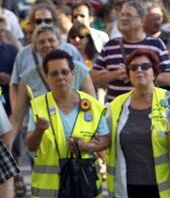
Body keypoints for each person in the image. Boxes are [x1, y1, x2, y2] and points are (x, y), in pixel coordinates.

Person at [106, 49, 170, 198]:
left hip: (169, 187)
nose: (139, 71)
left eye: (145, 66)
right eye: (133, 67)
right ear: (129, 74)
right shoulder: (116, 105)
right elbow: (105, 137)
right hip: (129, 188)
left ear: (155, 73)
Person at [26, 50, 110, 198]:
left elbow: (106, 140)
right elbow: (31, 146)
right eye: (54, 73)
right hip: (50, 190)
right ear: (47, 77)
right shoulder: (38, 106)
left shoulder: (91, 104)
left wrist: (87, 146)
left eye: (64, 72)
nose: (60, 77)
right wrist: (39, 130)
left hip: (86, 186)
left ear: (73, 74)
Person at [11, 25, 95, 135]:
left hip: (77, 136)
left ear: (60, 44)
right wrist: (8, 145)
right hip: (43, 139)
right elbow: (17, 118)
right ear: (35, 48)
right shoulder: (27, 78)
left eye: (51, 40)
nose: (46, 44)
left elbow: (93, 106)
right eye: (41, 42)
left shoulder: (79, 70)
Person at [91, 0, 170, 101]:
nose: (123, 18)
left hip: (147, 110)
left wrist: (138, 74)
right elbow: (93, 78)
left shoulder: (156, 44)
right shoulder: (110, 45)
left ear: (141, 20)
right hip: (116, 111)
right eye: (121, 15)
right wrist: (116, 74)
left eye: (128, 15)